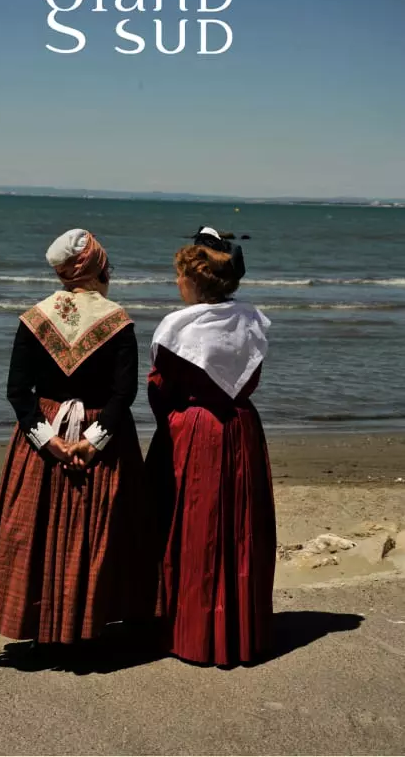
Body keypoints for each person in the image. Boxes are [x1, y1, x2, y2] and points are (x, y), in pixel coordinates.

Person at [0, 229, 155, 655]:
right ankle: (92, 621)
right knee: (103, 528)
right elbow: (123, 394)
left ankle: (41, 625)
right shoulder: (117, 320)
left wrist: (48, 440)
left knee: (37, 528)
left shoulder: (35, 318)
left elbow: (18, 392)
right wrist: (93, 441)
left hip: (46, 430)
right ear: (96, 269)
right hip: (102, 432)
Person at [146, 226, 276, 667]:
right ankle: (240, 631)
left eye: (180, 276)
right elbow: (250, 377)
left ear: (195, 281)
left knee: (195, 527)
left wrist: (171, 422)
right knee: (240, 527)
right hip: (242, 426)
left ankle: (195, 633)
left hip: (196, 429)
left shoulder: (179, 328)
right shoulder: (251, 321)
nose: (176, 283)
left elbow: (160, 387)